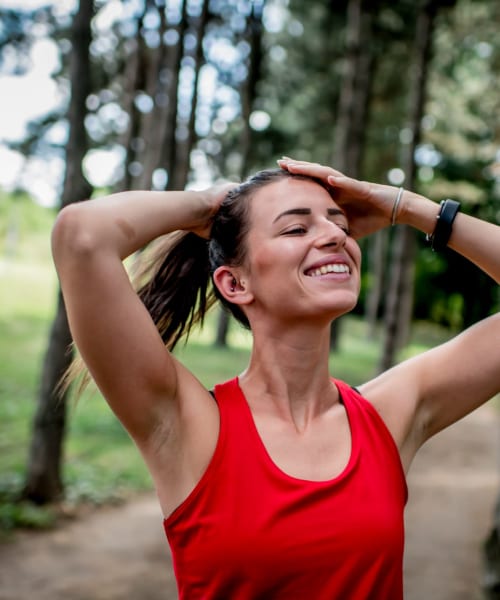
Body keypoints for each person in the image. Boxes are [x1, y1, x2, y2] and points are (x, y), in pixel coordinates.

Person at [52, 158, 500, 599]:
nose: (335, 236)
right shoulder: (186, 423)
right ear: (234, 283)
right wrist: (212, 204)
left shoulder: (390, 414)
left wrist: (407, 208)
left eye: (340, 225)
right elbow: (81, 234)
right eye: (295, 228)